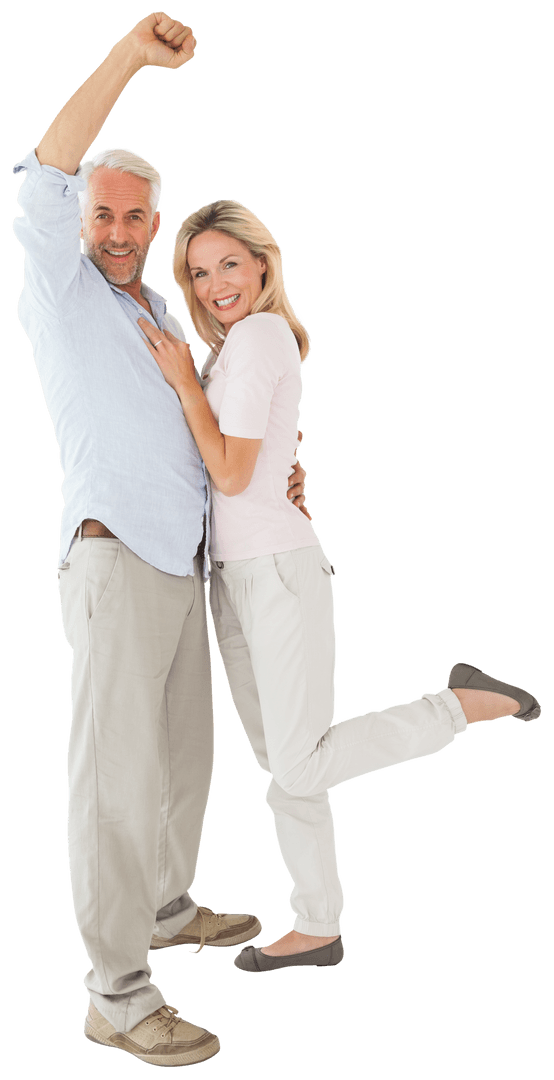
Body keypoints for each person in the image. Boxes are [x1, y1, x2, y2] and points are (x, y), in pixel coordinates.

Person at [138, 199, 542, 975]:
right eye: (198, 271)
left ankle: (459, 704)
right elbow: (243, 473)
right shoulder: (236, 353)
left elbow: (227, 467)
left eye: (229, 262)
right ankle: (317, 923)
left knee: (298, 763)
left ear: (263, 261)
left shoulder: (257, 337)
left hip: (276, 576)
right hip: (236, 574)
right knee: (286, 761)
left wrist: (184, 383)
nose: (216, 282)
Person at [12, 14, 308, 1069]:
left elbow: (203, 432)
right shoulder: (61, 291)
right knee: (114, 779)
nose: (121, 228)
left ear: (156, 219)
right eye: (105, 212)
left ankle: (167, 906)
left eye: (138, 214)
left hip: (187, 561)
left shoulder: (166, 321)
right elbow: (46, 171)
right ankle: (116, 992)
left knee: (184, 760)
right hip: (114, 554)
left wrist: (273, 469)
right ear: (82, 217)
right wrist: (128, 60)